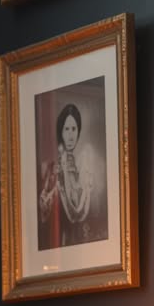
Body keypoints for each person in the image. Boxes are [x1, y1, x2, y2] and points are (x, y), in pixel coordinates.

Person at [38, 103, 96, 248]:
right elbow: (45, 213)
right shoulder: (53, 169)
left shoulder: (83, 170)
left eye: (74, 129)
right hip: (62, 242)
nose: (70, 135)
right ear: (61, 132)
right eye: (66, 129)